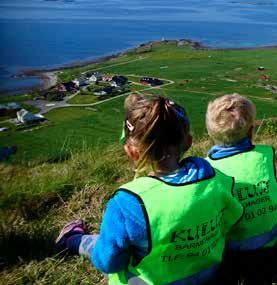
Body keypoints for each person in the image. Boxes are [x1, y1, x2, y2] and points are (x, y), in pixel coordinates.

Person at [55, 94, 243, 284]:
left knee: (100, 246)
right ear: (188, 142)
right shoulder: (216, 179)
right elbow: (233, 218)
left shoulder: (128, 202)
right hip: (208, 273)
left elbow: (108, 262)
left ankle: (72, 239)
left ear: (131, 151)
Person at [204, 94, 277, 251]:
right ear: (251, 131)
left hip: (232, 243)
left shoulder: (208, 169)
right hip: (274, 231)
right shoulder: (265, 155)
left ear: (210, 133)